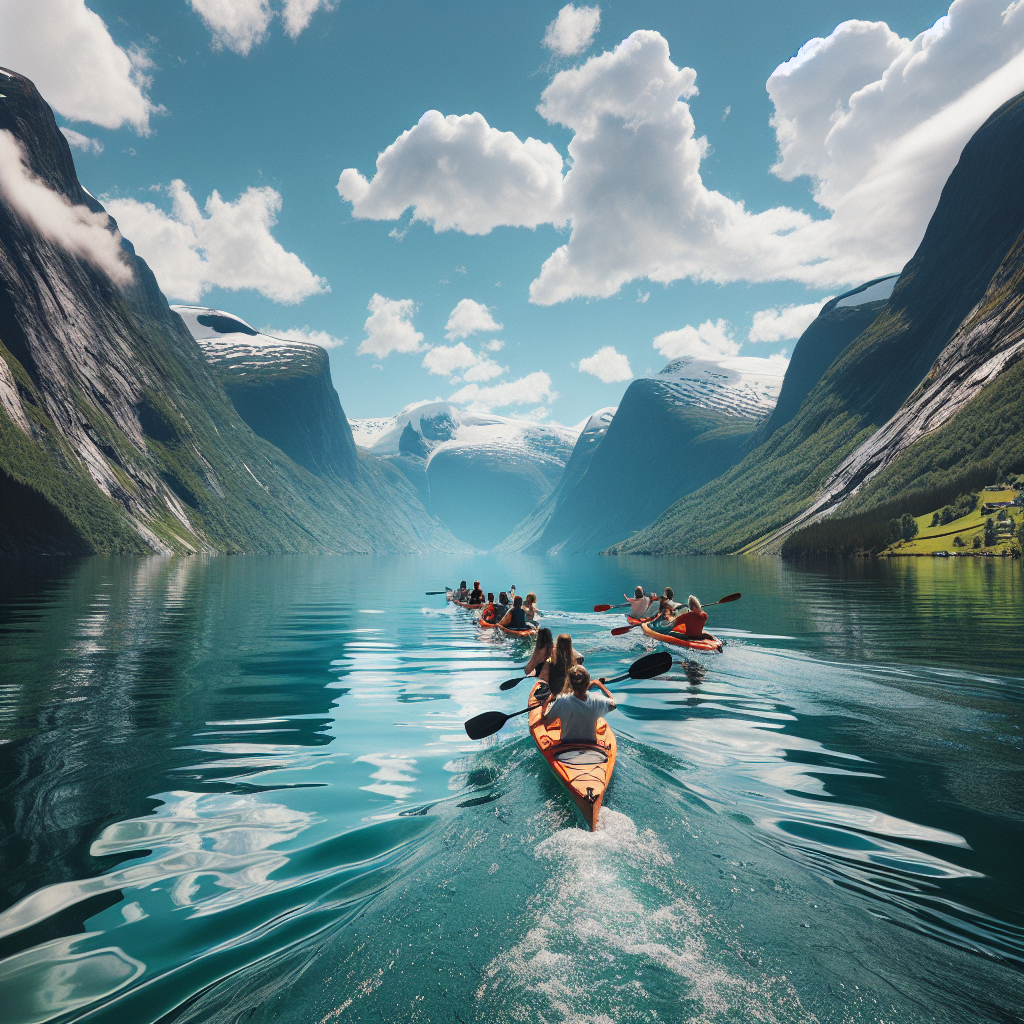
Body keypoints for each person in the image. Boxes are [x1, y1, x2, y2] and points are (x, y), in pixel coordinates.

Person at [541, 665, 617, 744]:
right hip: (590, 744)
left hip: (567, 744)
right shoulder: (596, 700)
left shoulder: (562, 701)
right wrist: (599, 685)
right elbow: (613, 705)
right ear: (588, 681)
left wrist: (548, 701)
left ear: (569, 683)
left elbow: (546, 721)